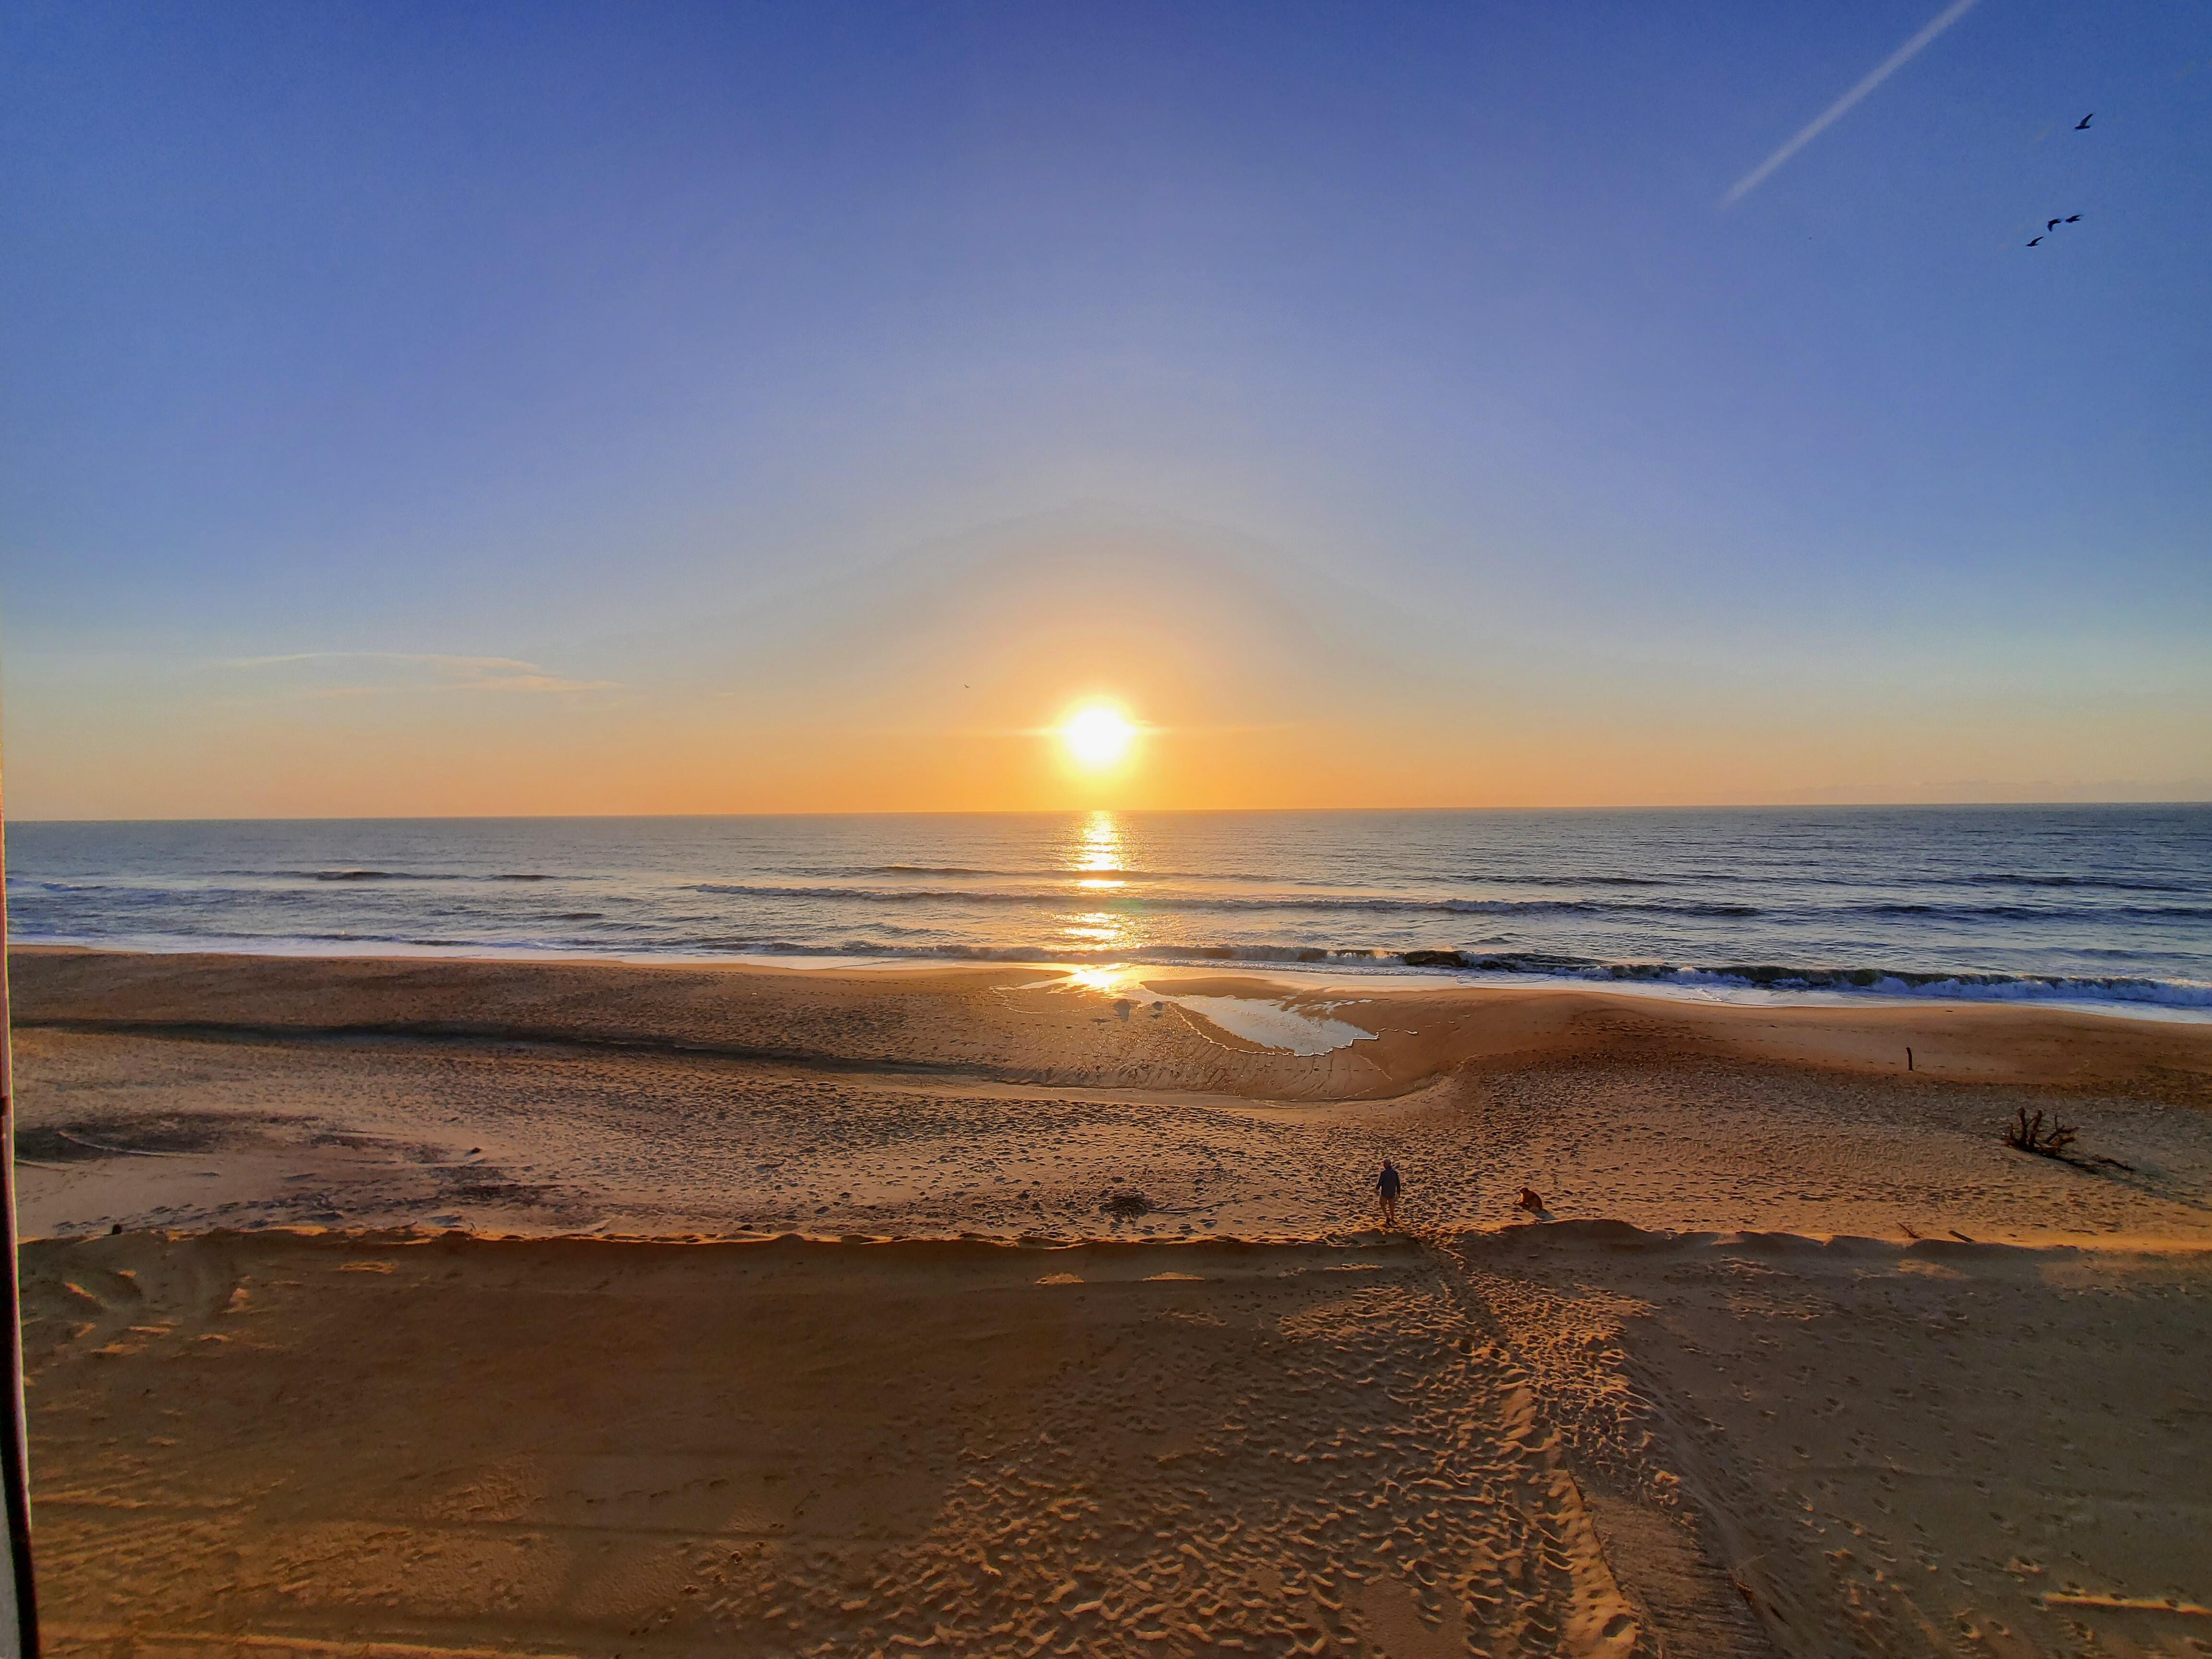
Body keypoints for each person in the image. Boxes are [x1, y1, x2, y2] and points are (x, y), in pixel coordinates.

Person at [1377, 1159, 1403, 1228]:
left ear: (1387, 1165)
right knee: (1392, 1207)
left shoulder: (1384, 1173)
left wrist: (1377, 1188)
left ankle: (1387, 1216)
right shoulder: (1395, 1173)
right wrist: (1398, 1192)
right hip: (1392, 1193)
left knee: (1382, 1205)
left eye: (1384, 1164)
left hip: (1385, 1193)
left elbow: (1380, 1182)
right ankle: (1392, 1218)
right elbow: (1398, 1183)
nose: (1384, 1165)